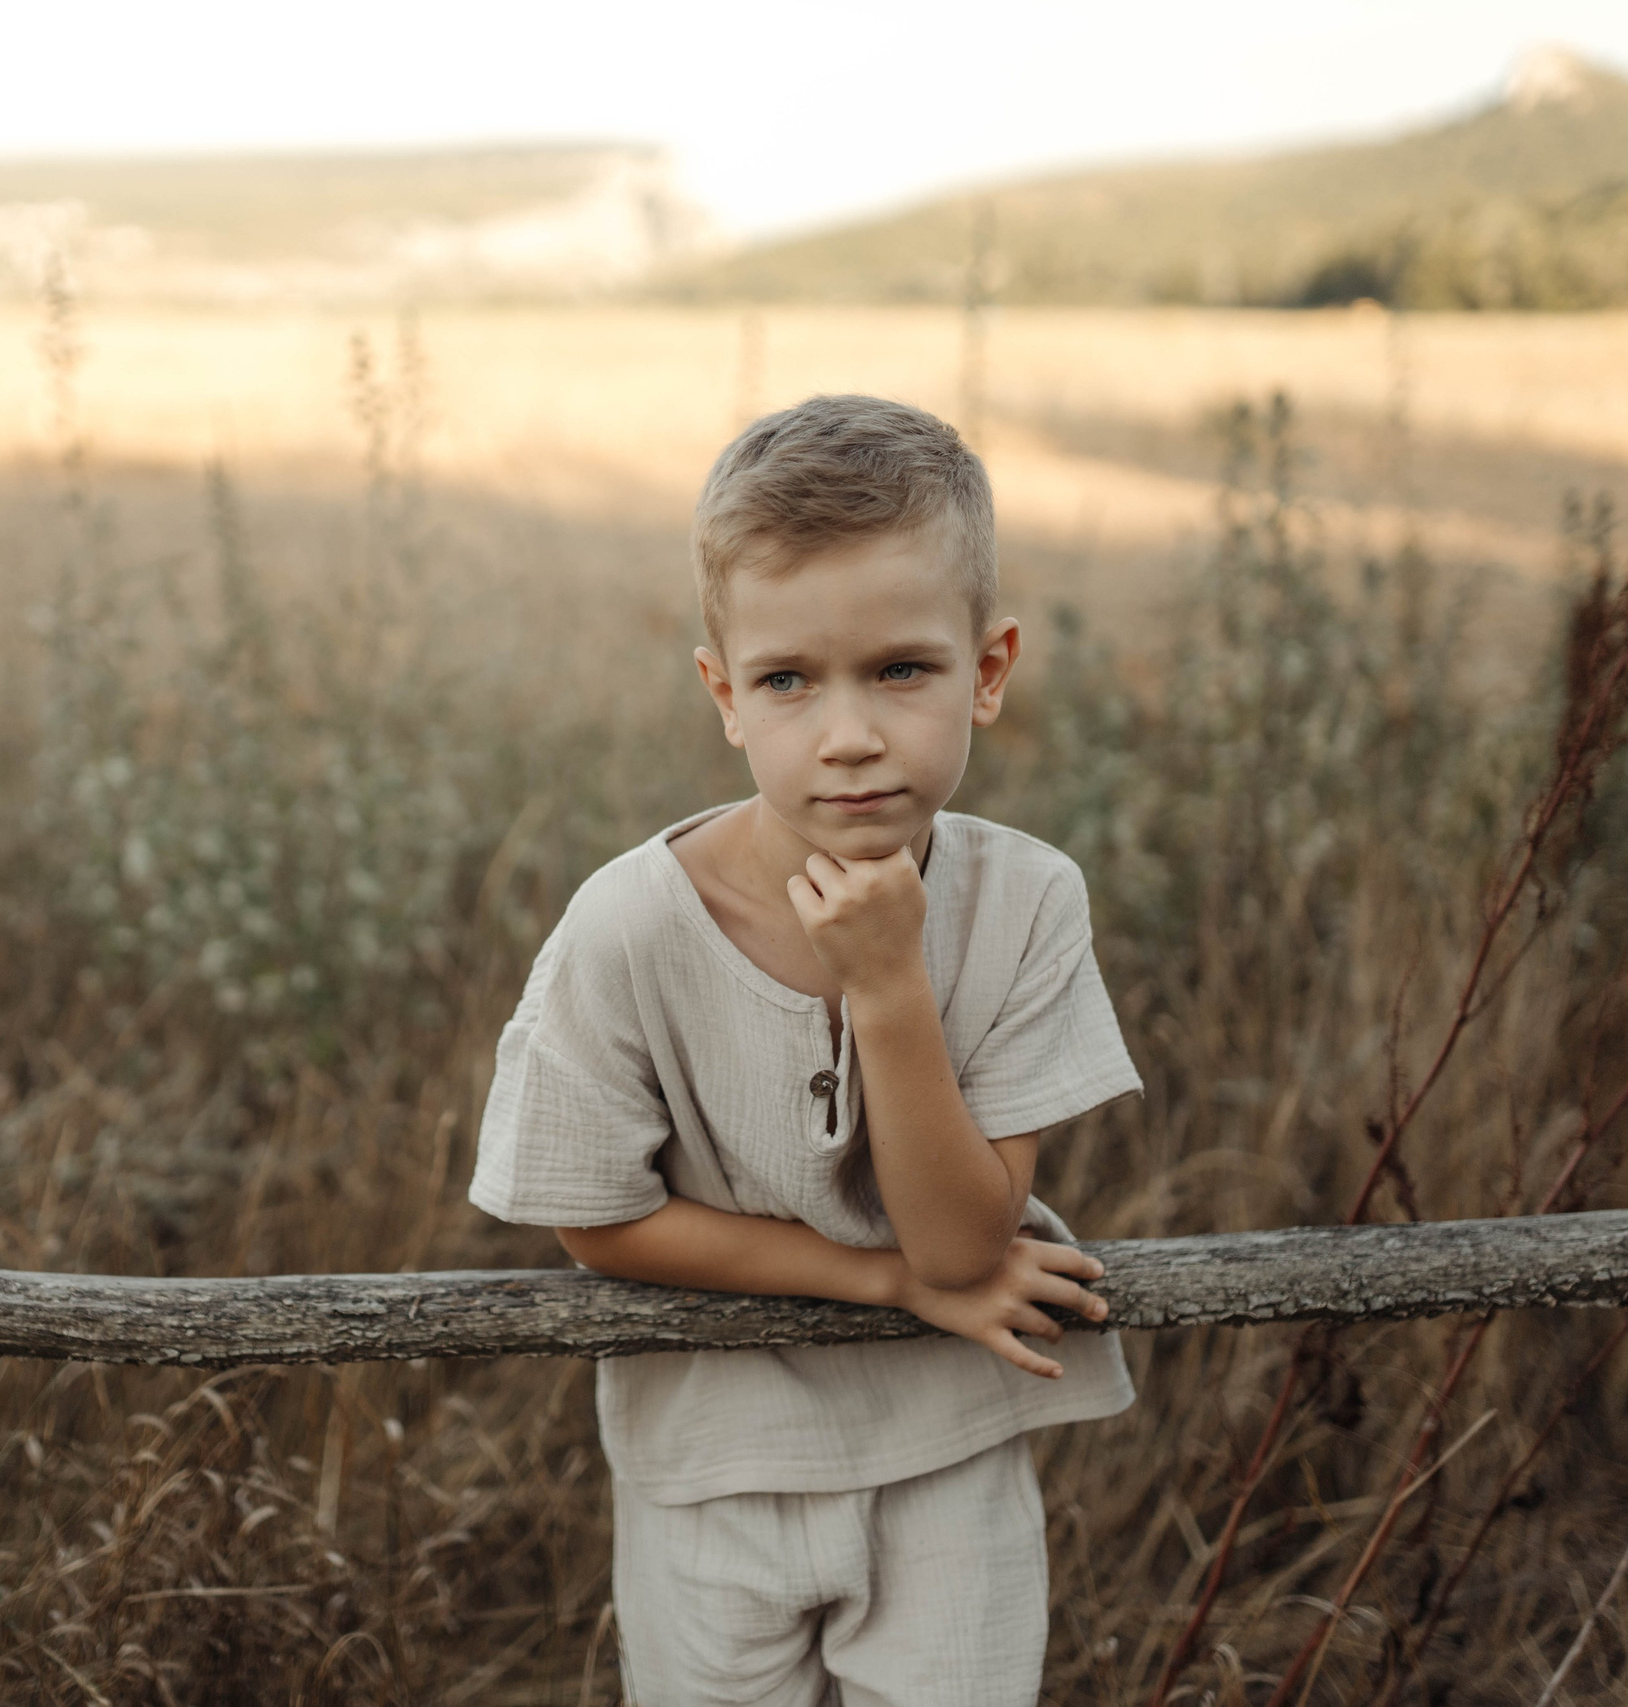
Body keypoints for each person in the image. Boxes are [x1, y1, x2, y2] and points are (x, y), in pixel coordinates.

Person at [467, 394, 1141, 1705]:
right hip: (712, 1464)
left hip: (948, 1450)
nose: (848, 733)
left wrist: (889, 988)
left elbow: (964, 1244)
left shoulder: (1027, 902)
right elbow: (598, 1223)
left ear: (988, 671)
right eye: (789, 680)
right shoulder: (629, 927)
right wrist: (891, 1287)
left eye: (901, 670)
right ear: (726, 695)